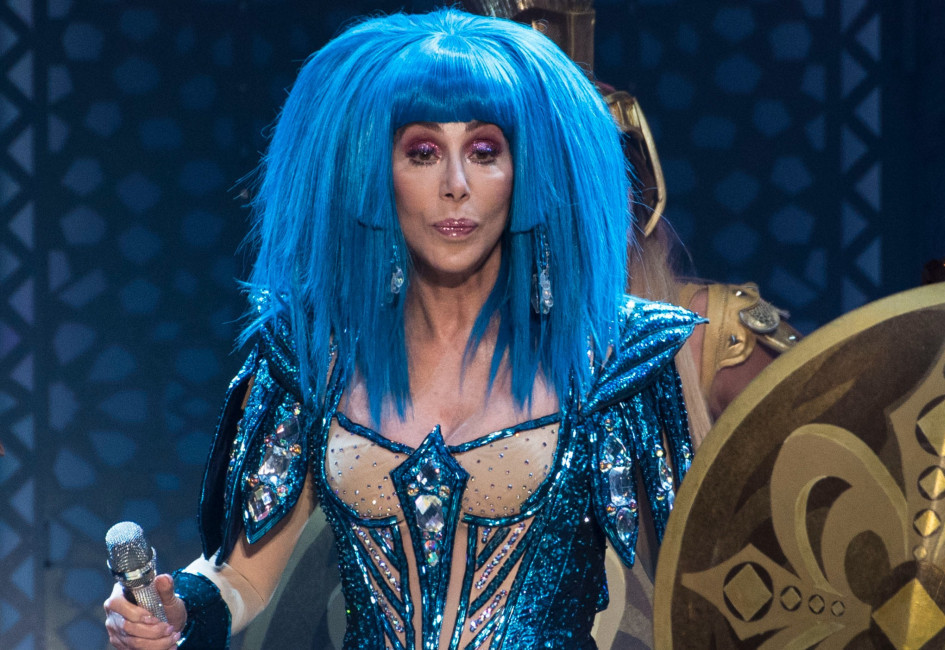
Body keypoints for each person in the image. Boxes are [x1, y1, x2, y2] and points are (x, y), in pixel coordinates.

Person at [104, 9, 701, 649]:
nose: (455, 186)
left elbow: (705, 583)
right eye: (422, 153)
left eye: (484, 152)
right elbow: (242, 577)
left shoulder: (621, 357)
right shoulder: (310, 356)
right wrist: (174, 611)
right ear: (376, 172)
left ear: (525, 172)